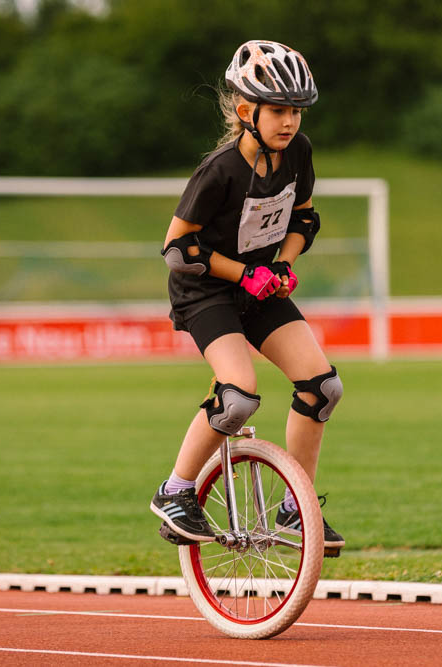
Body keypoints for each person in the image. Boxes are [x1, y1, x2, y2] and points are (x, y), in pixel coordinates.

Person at [149, 40, 344, 550]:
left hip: (260, 284)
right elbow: (177, 248)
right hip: (204, 291)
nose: (289, 122)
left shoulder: (298, 153)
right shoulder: (219, 170)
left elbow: (304, 218)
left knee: (323, 387)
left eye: (296, 111)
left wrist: (283, 265)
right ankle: (175, 491)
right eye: (277, 110)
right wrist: (243, 274)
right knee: (237, 396)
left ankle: (295, 510)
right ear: (245, 112)